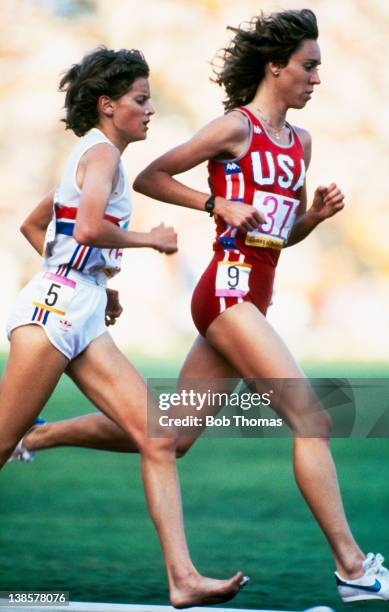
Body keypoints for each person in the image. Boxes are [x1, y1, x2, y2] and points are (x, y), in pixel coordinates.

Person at [8, 11, 389, 604]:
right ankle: (353, 568)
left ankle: (39, 437)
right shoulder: (231, 129)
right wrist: (214, 203)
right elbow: (153, 178)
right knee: (313, 420)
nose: (317, 78)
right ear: (276, 67)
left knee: (170, 436)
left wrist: (312, 217)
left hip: (245, 297)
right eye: (309, 66)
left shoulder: (303, 144)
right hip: (224, 293)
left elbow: (276, 235)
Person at [0, 47, 249, 608]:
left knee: (158, 438)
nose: (150, 109)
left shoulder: (94, 155)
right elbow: (87, 228)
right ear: (108, 105)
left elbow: (36, 224)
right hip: (53, 317)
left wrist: (90, 280)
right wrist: (149, 240)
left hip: (77, 309)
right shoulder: (103, 157)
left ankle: (183, 579)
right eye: (140, 99)